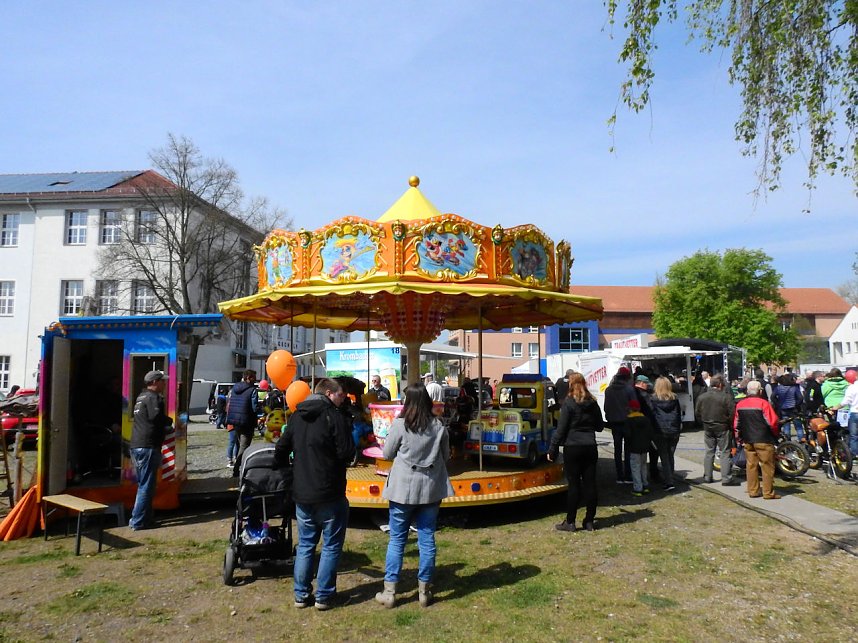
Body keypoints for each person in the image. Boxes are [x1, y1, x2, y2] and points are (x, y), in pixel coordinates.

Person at [275, 378, 355, 611]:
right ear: (329, 393)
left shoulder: (297, 416)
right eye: (341, 395)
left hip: (303, 492)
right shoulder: (334, 417)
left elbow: (281, 449)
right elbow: (347, 451)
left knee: (306, 544)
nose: (344, 399)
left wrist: (287, 473)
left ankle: (301, 595)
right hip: (330, 492)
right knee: (330, 545)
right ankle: (324, 595)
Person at [375, 384, 454, 608]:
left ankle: (390, 591)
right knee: (427, 538)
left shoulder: (400, 425)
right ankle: (424, 591)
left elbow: (388, 453)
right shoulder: (438, 426)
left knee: (397, 540)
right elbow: (446, 456)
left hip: (402, 490)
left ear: (407, 401)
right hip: (430, 489)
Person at [548, 373, 604, 531]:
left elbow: (561, 429)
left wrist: (552, 449)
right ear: (584, 383)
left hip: (572, 446)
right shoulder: (592, 402)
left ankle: (570, 521)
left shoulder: (568, 403)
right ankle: (589, 521)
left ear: (570, 385)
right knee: (590, 484)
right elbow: (600, 426)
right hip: (589, 445)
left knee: (574, 485)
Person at [129, 370, 171, 531]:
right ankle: (138, 521)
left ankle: (145, 519)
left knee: (143, 484)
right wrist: (170, 422)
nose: (165, 384)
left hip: (137, 445)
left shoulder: (141, 397)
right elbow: (156, 418)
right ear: (154, 382)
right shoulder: (154, 398)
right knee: (146, 486)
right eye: (162, 381)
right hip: (148, 446)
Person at [733, 380, 780, 499]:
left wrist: (739, 439)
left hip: (748, 439)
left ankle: (753, 491)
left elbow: (736, 425)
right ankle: (768, 492)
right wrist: (775, 435)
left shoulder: (740, 404)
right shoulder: (764, 404)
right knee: (767, 466)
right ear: (760, 391)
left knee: (751, 466)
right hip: (763, 438)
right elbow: (773, 422)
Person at [695, 374, 739, 485]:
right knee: (725, 452)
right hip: (722, 426)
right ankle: (726, 478)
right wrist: (728, 424)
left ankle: (707, 476)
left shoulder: (702, 397)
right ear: (720, 384)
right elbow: (732, 413)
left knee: (709, 452)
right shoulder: (726, 397)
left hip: (708, 427)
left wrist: (704, 422)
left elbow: (697, 413)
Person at [650, 376, 682, 491]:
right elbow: (678, 414)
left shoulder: (653, 399)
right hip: (674, 429)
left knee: (664, 456)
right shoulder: (675, 398)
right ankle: (670, 477)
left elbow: (652, 416)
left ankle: (669, 481)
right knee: (670, 455)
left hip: (660, 430)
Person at [604, 366, 634, 484]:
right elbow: (635, 405)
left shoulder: (608, 390)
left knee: (617, 450)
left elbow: (606, 407)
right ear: (627, 377)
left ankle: (619, 475)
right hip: (627, 421)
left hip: (614, 423)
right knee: (628, 449)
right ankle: (627, 474)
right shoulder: (629, 389)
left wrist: (609, 417)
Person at [227, 370, 259, 476]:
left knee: (240, 444)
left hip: (235, 421)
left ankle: (239, 466)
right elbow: (254, 408)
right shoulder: (252, 390)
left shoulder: (235, 388)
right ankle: (237, 470)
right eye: (254, 377)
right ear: (248, 378)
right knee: (244, 446)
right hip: (246, 421)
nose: (255, 379)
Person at [625, 398, 653, 497]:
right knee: (643, 466)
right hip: (644, 447)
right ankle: (645, 485)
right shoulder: (646, 419)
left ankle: (638, 488)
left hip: (634, 447)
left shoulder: (629, 420)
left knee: (635, 468)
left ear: (630, 409)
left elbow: (628, 435)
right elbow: (650, 433)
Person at [772, 372, 805, 441]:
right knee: (799, 427)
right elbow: (800, 398)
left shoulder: (779, 388)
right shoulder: (794, 388)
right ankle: (802, 443)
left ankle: (788, 444)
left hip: (783, 409)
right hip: (794, 409)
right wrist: (796, 404)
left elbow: (773, 397)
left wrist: (778, 404)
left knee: (786, 427)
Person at [834, 369, 858, 459]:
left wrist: (835, 407)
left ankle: (855, 455)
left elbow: (845, 401)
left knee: (854, 435)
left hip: (855, 413)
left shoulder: (851, 388)